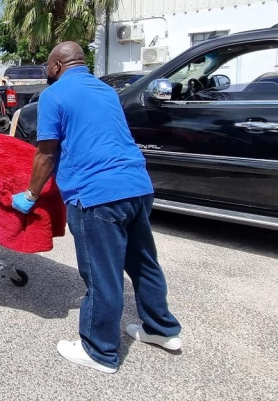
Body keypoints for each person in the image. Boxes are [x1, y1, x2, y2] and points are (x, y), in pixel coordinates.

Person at [11, 41, 182, 374]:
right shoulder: (107, 91)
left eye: (47, 67)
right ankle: (162, 329)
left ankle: (99, 350)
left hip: (97, 196)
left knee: (102, 275)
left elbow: (46, 152)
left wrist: (30, 195)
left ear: (57, 67)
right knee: (143, 262)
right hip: (137, 185)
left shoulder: (54, 95)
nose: (46, 73)